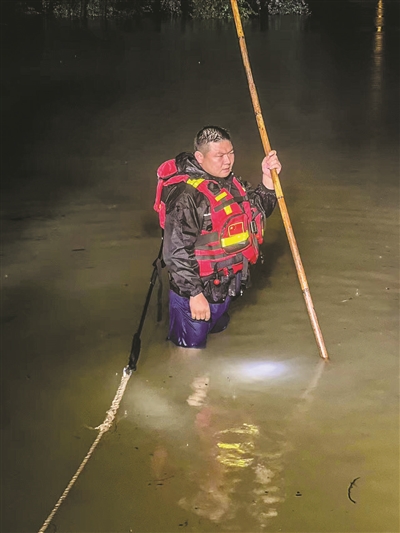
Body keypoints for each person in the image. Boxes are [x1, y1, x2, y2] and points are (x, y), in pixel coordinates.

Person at [154, 126, 282, 348]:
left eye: (231, 153)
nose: (228, 161)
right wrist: (195, 295)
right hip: (195, 295)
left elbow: (254, 215)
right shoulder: (186, 196)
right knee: (190, 354)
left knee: (218, 341)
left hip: (225, 288)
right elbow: (175, 252)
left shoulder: (230, 183)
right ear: (200, 157)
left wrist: (268, 178)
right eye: (219, 155)